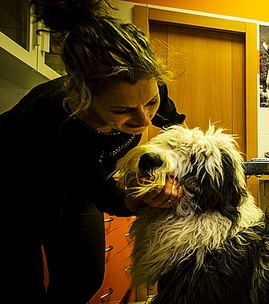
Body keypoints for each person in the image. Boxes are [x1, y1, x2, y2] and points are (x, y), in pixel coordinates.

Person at [1, 0, 187, 303]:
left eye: (150, 102)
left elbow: (174, 128)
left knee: (83, 280)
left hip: (77, 188)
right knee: (22, 289)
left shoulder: (147, 90)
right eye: (122, 111)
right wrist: (139, 198)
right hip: (15, 189)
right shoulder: (52, 122)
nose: (143, 120)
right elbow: (107, 194)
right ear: (84, 98)